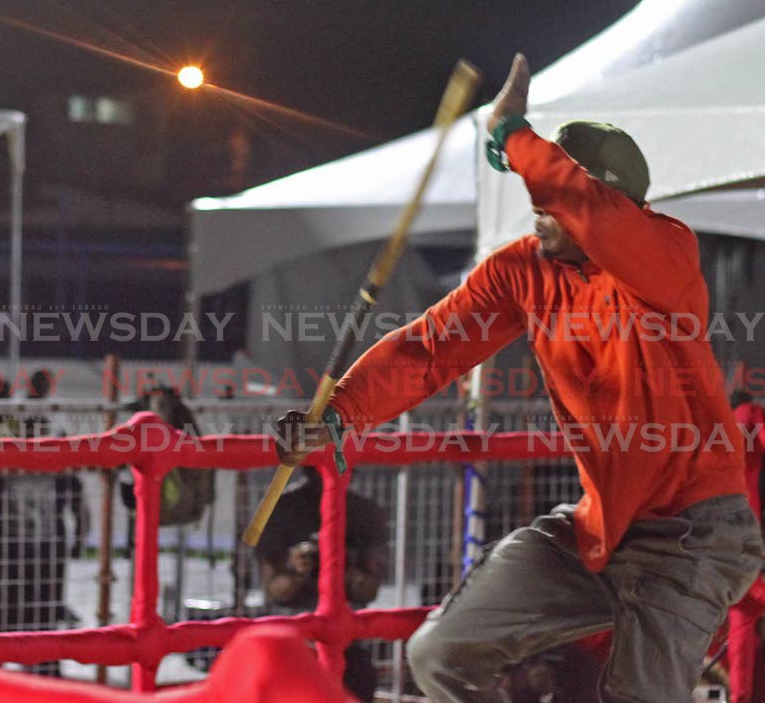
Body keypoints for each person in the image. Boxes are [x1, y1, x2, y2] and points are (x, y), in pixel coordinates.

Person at [276, 54, 761, 703]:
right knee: (440, 652)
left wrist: (513, 134)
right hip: (598, 527)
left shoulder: (665, 257)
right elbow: (431, 349)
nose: (537, 208)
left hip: (694, 534)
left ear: (608, 203)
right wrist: (340, 414)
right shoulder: (523, 270)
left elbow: (592, 209)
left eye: (552, 198)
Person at [0, 369, 88, 675]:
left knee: (46, 610)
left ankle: (45, 669)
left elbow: (76, 493)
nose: (34, 432)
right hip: (14, 545)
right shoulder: (7, 457)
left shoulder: (55, 455)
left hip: (46, 546)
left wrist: (80, 532)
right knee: (6, 611)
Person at [253, 466, 387, 702]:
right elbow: (274, 591)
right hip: (291, 633)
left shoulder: (364, 512)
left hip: (345, 633)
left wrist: (339, 568)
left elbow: (369, 589)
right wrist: (297, 569)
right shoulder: (281, 509)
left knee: (358, 675)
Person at [725, 390, 765, 703]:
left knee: (742, 619)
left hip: (725, 547)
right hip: (747, 540)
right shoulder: (747, 414)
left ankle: (740, 697)